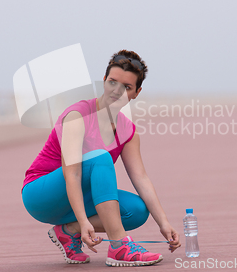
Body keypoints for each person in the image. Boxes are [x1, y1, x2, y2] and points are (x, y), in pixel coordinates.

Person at [21, 50, 181, 267]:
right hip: (41, 194)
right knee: (100, 157)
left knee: (137, 210)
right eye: (113, 82)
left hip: (77, 196)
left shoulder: (128, 132)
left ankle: (69, 231)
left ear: (136, 93)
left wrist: (164, 223)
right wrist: (85, 219)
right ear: (104, 81)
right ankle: (119, 246)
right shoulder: (78, 116)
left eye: (126, 87)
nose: (117, 91)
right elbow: (72, 172)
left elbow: (141, 178)